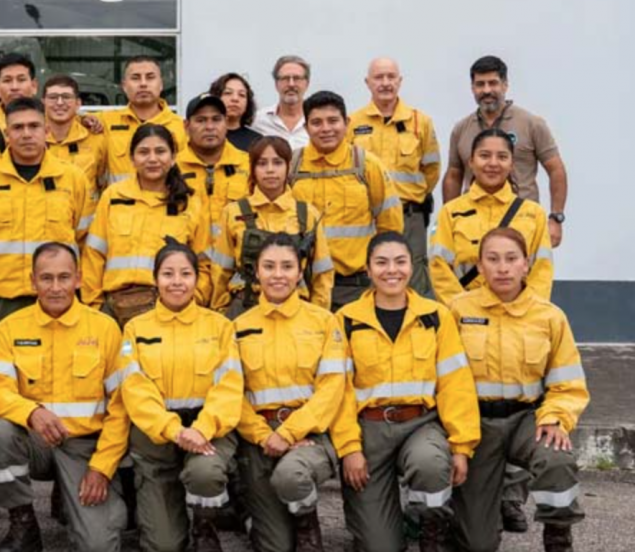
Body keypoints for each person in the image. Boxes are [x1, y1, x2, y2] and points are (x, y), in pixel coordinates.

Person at [0, 96, 94, 524]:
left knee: (64, 384)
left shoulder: (72, 178)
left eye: (35, 126)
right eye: (18, 127)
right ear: (6, 132)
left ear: (47, 129)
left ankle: (63, 487)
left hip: (54, 298)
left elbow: (83, 237)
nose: (27, 134)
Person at [331, 232, 480, 552]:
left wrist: (461, 446)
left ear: (412, 267)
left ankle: (430, 530)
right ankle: (387, 523)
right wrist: (349, 448)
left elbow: (456, 385)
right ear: (368, 269)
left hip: (420, 425)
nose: (391, 270)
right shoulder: (346, 320)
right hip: (369, 431)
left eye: (400, 262)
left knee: (430, 464)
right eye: (381, 263)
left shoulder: (436, 316)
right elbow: (338, 392)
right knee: (380, 546)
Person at [448, 228, 588, 552]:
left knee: (556, 458)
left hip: (528, 419)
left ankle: (558, 537)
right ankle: (478, 512)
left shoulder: (549, 316)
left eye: (511, 259)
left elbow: (568, 383)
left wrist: (555, 418)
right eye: (493, 259)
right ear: (480, 266)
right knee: (476, 544)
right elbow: (445, 382)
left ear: (526, 264)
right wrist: (456, 436)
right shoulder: (457, 311)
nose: (503, 268)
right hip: (476, 425)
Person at [0, 242, 129, 552]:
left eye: (64, 277)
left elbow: (120, 408)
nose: (55, 287)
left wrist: (101, 468)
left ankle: (70, 496)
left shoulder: (105, 329)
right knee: (2, 434)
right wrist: (31, 412)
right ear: (33, 281)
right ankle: (23, 523)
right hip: (35, 441)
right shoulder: (10, 328)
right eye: (46, 278)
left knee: (98, 547)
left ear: (78, 279)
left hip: (85, 448)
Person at [118, 242, 243, 552]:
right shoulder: (135, 329)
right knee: (163, 546)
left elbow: (228, 388)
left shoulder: (220, 326)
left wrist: (202, 429)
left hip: (207, 433)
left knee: (205, 473)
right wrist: (174, 430)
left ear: (197, 279)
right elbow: (136, 390)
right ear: (155, 279)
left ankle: (205, 526)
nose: (177, 282)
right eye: (168, 274)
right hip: (157, 439)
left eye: (185, 274)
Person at [233, 233, 348, 552]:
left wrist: (288, 432)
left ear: (300, 272)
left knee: (291, 476)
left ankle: (307, 524)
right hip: (259, 441)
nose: (278, 275)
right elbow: (232, 395)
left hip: (309, 435)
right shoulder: (238, 327)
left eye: (287, 266)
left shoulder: (324, 321)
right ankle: (256, 516)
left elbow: (331, 388)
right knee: (274, 546)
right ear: (256, 272)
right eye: (269, 266)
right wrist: (264, 436)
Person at [82, 125, 211, 327]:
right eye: (143, 152)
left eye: (160, 151)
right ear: (132, 158)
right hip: (113, 308)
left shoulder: (190, 201)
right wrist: (95, 307)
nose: (152, 159)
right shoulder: (113, 196)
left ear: (173, 157)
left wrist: (191, 302)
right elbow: (93, 255)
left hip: (169, 309)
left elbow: (204, 263)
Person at [291, 91, 403, 310]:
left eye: (333, 121)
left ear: (347, 123)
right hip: (301, 287)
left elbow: (390, 228)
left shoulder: (367, 165)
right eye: (316, 123)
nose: (325, 129)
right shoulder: (292, 166)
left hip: (354, 287)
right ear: (306, 128)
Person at [443, 55, 568, 247]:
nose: (487, 90)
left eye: (493, 83)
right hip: (472, 229)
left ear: (505, 85)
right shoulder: (461, 129)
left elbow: (556, 169)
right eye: (480, 84)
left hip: (522, 224)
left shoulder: (531, 124)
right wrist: (449, 219)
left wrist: (556, 218)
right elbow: (453, 175)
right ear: (472, 88)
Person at [211, 136, 334, 316]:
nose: (270, 170)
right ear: (252, 169)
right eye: (262, 163)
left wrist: (318, 315)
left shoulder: (308, 214)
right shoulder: (233, 212)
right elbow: (221, 270)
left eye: (277, 163)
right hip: (245, 308)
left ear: (288, 167)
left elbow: (321, 273)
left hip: (297, 311)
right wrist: (221, 313)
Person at [348, 58, 441, 297]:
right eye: (379, 77)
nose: (385, 83)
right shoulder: (352, 123)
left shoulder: (420, 122)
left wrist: (411, 196)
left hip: (410, 217)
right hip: (367, 219)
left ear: (400, 81)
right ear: (367, 82)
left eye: (391, 77)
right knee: (371, 278)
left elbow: (431, 170)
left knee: (414, 279)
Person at [430, 128, 554, 304]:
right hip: (467, 314)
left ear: (512, 164)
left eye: (502, 157)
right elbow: (439, 268)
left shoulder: (534, 213)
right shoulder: (450, 212)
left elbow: (542, 271)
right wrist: (462, 309)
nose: (493, 163)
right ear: (471, 162)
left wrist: (526, 310)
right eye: (484, 156)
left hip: (520, 313)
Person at [99, 55, 187, 186]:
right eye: (135, 78)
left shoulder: (182, 127)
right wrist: (85, 120)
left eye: (150, 77)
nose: (143, 84)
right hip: (119, 198)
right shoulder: (104, 122)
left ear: (161, 84)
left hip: (166, 199)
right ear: (124, 86)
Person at [176, 93, 251, 237]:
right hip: (186, 251)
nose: (209, 127)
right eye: (201, 120)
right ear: (186, 126)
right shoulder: (172, 169)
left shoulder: (249, 165)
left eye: (216, 119)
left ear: (226, 123)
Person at [43, 74, 108, 198]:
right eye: (53, 97)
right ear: (43, 102)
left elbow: (105, 186)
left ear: (78, 103)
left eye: (66, 97)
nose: (60, 102)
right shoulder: (31, 141)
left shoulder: (96, 140)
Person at [254, 56, 312, 150]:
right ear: (276, 84)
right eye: (285, 78)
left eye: (297, 78)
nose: (291, 84)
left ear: (307, 84)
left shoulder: (317, 122)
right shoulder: (258, 121)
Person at [208, 72, 262, 153]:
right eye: (228, 93)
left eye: (242, 95)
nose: (235, 99)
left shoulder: (258, 141)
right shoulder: (204, 135)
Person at [0, 52, 40, 130]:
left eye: (21, 80)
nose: (14, 87)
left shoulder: (50, 125)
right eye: (7, 80)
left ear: (34, 86)